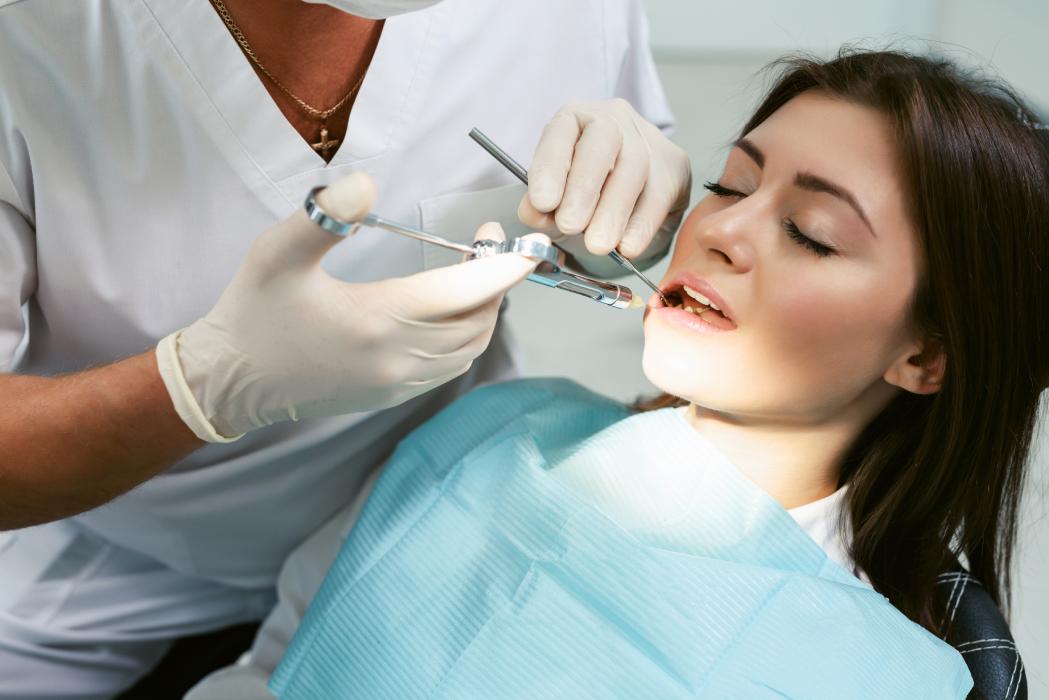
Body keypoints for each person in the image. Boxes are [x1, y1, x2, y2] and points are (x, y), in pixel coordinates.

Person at [188, 48, 1049, 699]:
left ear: (926, 357)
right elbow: (283, 662)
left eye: (812, 233)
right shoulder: (494, 433)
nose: (724, 230)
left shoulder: (888, 677)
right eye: (729, 182)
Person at [0, 0, 691, 696]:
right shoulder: (32, 36)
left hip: (415, 519)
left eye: (808, 234)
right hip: (105, 539)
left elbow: (606, 190)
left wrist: (622, 229)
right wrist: (201, 383)